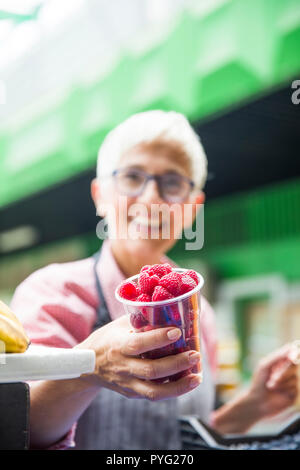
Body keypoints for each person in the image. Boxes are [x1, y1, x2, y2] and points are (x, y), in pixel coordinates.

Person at [10, 111, 299, 450]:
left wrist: (254, 406)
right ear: (101, 195)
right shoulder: (54, 294)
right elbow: (24, 429)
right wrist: (89, 366)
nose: (152, 199)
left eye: (173, 182)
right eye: (133, 177)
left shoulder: (198, 310)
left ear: (193, 207)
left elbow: (183, 439)